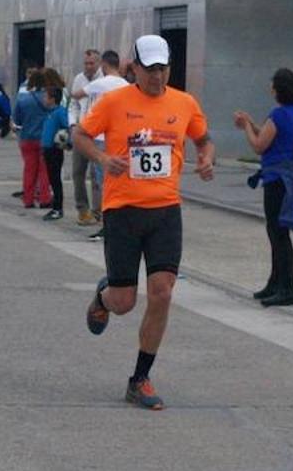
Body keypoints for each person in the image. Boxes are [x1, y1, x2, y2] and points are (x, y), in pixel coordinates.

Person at [74, 34, 216, 411]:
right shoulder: (115, 101)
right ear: (133, 68)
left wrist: (205, 159)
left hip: (166, 212)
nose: (157, 76)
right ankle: (103, 296)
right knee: (123, 302)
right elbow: (81, 134)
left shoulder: (184, 103)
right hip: (122, 211)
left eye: (163, 68)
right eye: (149, 69)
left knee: (162, 293)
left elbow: (204, 139)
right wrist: (103, 160)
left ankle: (140, 379)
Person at [234, 67, 293, 307]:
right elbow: (272, 136)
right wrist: (254, 123)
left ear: (276, 90)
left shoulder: (278, 115)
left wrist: (246, 126)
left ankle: (287, 288)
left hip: (277, 181)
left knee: (278, 234)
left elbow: (259, 145)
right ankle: (275, 282)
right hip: (291, 179)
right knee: (278, 233)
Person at [78, 50, 129, 240]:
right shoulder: (126, 85)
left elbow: (76, 94)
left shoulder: (100, 83)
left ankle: (107, 225)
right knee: (116, 182)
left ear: (105, 65)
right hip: (119, 138)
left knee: (103, 182)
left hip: (100, 137)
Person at [69, 50, 102, 225]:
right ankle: (82, 209)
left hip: (98, 135)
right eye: (86, 63)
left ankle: (98, 211)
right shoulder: (78, 79)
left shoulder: (104, 81)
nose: (88, 67)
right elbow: (73, 103)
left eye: (91, 63)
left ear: (99, 63)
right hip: (81, 132)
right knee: (77, 172)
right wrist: (72, 124)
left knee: (97, 175)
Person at [13, 69, 52, 208]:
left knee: (29, 170)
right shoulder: (49, 99)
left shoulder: (23, 99)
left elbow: (17, 119)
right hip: (45, 139)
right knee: (44, 171)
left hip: (27, 138)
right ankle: (44, 199)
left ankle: (28, 200)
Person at [41, 85, 70, 220]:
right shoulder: (50, 112)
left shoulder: (60, 112)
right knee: (52, 179)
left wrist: (64, 140)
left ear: (53, 99)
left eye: (46, 96)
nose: (44, 99)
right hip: (47, 149)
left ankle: (58, 208)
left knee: (55, 178)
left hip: (55, 149)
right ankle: (55, 205)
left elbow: (67, 126)